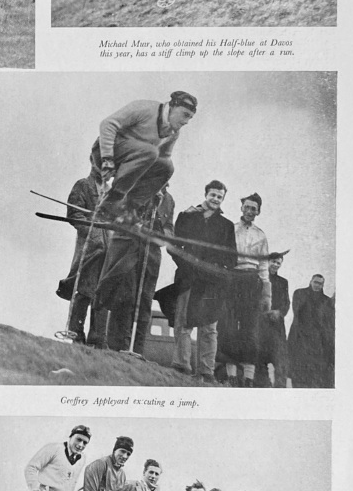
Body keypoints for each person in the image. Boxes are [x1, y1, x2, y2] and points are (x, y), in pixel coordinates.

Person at [91, 91, 197, 223]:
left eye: (190, 118)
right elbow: (108, 124)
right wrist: (107, 158)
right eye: (185, 115)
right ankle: (111, 203)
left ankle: (128, 209)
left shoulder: (173, 132)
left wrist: (157, 187)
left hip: (133, 164)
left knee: (167, 167)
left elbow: (163, 158)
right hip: (106, 153)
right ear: (172, 106)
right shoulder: (145, 108)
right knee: (150, 151)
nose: (186, 122)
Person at [169, 180, 237, 381]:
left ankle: (206, 371)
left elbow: (232, 258)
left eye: (219, 196)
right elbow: (174, 247)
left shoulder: (226, 225)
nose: (215, 199)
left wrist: (216, 269)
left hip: (212, 284)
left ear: (223, 199)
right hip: (188, 278)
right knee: (183, 322)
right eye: (213, 195)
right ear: (206, 194)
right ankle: (181, 365)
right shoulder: (187, 216)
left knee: (209, 328)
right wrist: (185, 264)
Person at [96, 185, 175, 354]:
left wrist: (161, 234)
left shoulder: (168, 200)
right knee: (125, 297)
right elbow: (118, 213)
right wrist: (136, 224)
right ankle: (118, 346)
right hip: (129, 250)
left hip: (151, 254)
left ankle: (137, 349)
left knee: (145, 300)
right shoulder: (138, 187)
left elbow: (169, 228)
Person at [217, 193, 272, 386]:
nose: (249, 211)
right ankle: (231, 376)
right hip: (233, 279)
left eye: (253, 209)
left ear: (258, 212)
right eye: (247, 207)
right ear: (241, 208)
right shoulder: (230, 229)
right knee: (229, 327)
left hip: (252, 282)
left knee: (250, 329)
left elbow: (264, 266)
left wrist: (266, 294)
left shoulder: (261, 235)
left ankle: (248, 378)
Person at [56, 161, 109, 347]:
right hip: (89, 248)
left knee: (102, 293)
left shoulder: (112, 192)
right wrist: (91, 230)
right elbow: (74, 214)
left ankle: (98, 338)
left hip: (108, 249)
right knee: (84, 289)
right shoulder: (83, 185)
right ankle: (76, 333)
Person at [288, 275, 335, 388]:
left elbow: (326, 321)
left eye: (320, 284)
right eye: (316, 282)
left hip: (316, 341)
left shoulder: (326, 300)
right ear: (310, 281)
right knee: (298, 372)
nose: (317, 285)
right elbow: (297, 311)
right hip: (300, 338)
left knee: (314, 373)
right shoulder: (299, 293)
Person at [255, 252, 291, 387]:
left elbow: (286, 303)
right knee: (260, 358)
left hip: (277, 326)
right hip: (260, 324)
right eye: (273, 262)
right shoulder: (259, 279)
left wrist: (279, 312)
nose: (276, 265)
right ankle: (262, 386)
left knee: (280, 359)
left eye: (278, 263)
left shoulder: (283, 282)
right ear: (267, 262)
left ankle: (280, 389)